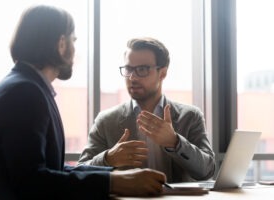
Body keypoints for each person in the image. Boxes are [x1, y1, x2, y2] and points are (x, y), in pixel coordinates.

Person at [0, 5, 167, 200]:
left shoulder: (27, 87)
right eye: (73, 40)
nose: (75, 51)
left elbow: (49, 169)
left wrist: (115, 176)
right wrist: (115, 182)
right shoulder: (24, 93)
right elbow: (31, 181)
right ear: (61, 44)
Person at [78, 37, 216, 183]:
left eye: (142, 69)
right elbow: (80, 171)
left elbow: (207, 171)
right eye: (129, 69)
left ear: (162, 73)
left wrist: (175, 142)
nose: (132, 77)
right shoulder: (106, 120)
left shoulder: (190, 116)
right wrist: (108, 158)